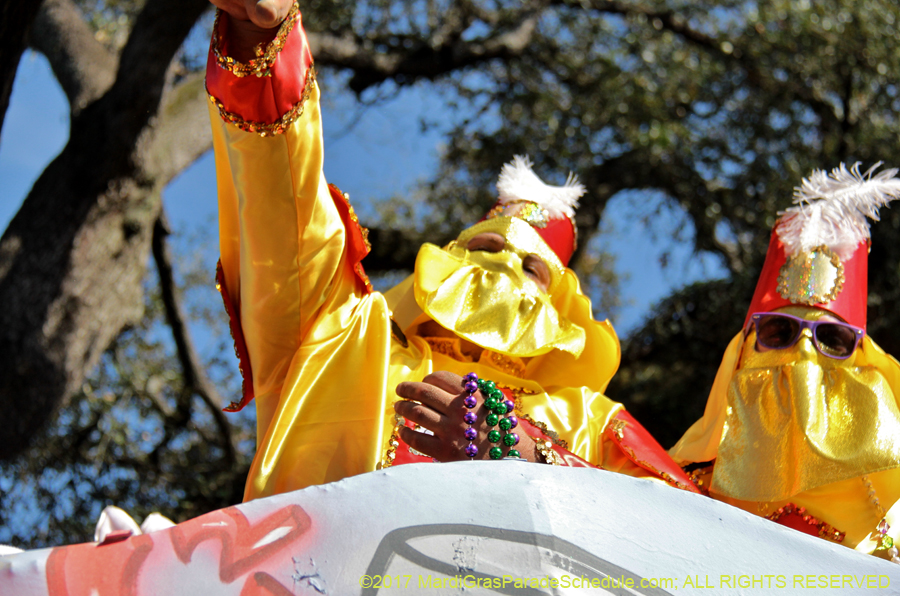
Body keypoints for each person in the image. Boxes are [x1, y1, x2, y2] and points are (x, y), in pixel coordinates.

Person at [205, 0, 698, 501]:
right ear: (444, 261)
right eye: (485, 247)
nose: (502, 266)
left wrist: (531, 454)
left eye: (532, 268)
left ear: (562, 308)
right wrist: (262, 46)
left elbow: (702, 537)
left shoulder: (591, 419)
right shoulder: (345, 341)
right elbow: (285, 218)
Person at [670, 163, 900, 562]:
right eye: (779, 333)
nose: (805, 356)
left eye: (833, 340)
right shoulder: (680, 491)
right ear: (741, 355)